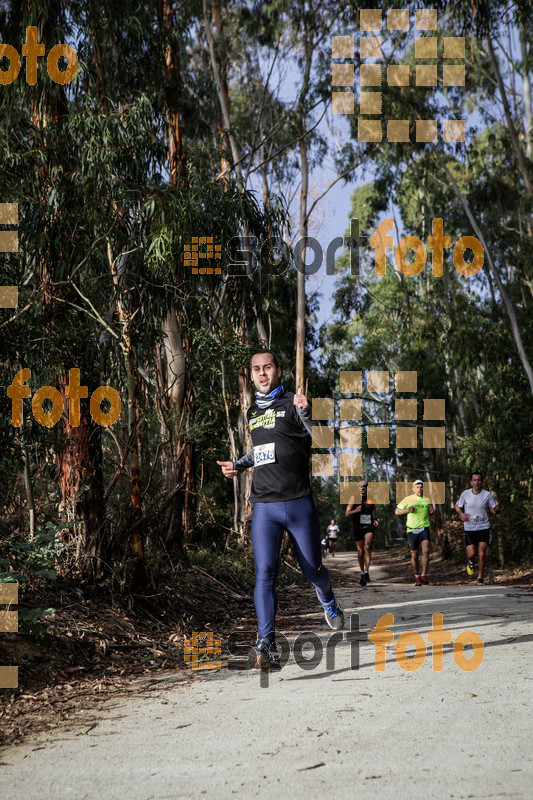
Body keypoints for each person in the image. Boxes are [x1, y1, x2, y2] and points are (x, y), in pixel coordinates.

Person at [217, 349, 344, 672]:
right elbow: (261, 451)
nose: (262, 373)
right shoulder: (252, 412)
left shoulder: (295, 402)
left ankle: (326, 595)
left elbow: (321, 438)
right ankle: (267, 644)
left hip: (298, 502)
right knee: (265, 573)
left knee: (312, 569)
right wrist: (237, 465)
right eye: (256, 369)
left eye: (268, 367)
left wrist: (305, 412)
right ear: (252, 375)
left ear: (278, 370)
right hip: (264, 505)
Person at [455, 472, 500, 585]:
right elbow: (457, 505)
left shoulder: (487, 495)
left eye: (479, 480)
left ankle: (480, 578)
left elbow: (496, 506)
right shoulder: (465, 494)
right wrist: (461, 514)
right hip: (469, 528)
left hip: (483, 527)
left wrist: (495, 510)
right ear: (471, 482)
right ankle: (470, 562)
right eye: (474, 480)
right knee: (471, 554)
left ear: (482, 482)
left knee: (481, 554)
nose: (477, 482)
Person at [395, 479, 434, 585]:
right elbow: (397, 511)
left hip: (424, 528)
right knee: (414, 555)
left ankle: (424, 575)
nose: (419, 489)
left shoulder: (427, 500)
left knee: (426, 551)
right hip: (412, 530)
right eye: (417, 487)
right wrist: (407, 510)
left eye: (421, 487)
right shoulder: (408, 499)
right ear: (413, 489)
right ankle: (417, 575)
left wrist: (431, 512)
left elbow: (430, 512)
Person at [346, 480, 377, 585]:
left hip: (368, 526)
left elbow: (373, 509)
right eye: (361, 486)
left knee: (367, 547)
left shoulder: (370, 498)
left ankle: (367, 571)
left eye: (365, 486)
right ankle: (362, 572)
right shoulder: (353, 498)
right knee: (360, 552)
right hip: (357, 527)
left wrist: (375, 519)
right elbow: (347, 513)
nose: (363, 487)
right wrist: (356, 510)